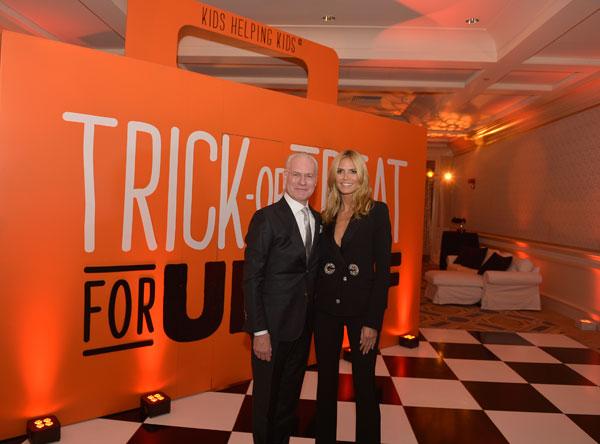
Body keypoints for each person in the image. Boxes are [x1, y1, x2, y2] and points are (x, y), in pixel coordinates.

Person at [243, 152, 320, 444]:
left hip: (302, 328)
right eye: (296, 175)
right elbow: (252, 279)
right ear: (285, 176)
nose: (302, 181)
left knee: (289, 398)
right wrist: (259, 331)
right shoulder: (266, 219)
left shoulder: (318, 219)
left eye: (309, 176)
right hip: (271, 331)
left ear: (316, 181)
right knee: (266, 402)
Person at [315, 150, 391, 444]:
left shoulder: (377, 211)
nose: (346, 178)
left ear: (362, 176)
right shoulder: (327, 215)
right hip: (325, 311)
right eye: (341, 172)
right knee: (326, 383)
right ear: (334, 177)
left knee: (364, 383)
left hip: (362, 313)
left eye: (352, 171)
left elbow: (382, 272)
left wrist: (373, 321)